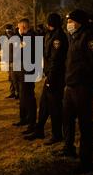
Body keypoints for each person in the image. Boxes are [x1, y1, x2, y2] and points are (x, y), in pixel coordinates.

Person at [62, 10, 93, 173]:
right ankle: (68, 148)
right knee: (67, 119)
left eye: (71, 21)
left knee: (85, 124)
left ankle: (86, 160)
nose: (68, 24)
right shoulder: (73, 37)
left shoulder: (89, 37)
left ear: (79, 22)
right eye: (68, 21)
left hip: (83, 86)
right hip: (70, 85)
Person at [25, 13, 68, 145]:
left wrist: (51, 76)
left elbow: (56, 59)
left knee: (54, 106)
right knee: (44, 104)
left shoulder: (58, 37)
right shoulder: (51, 34)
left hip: (55, 76)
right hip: (50, 74)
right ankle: (39, 130)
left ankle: (57, 134)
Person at [12, 19, 37, 130]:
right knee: (22, 95)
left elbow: (22, 52)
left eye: (19, 27)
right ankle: (24, 118)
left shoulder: (31, 36)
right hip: (22, 69)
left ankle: (31, 121)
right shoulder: (24, 37)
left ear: (23, 26)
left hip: (28, 69)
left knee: (28, 96)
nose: (18, 30)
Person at [5, 24, 19, 99]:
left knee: (15, 78)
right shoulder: (8, 38)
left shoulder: (15, 38)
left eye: (9, 30)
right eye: (7, 30)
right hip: (9, 61)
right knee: (10, 78)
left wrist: (13, 61)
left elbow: (16, 51)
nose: (7, 31)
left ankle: (18, 93)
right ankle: (12, 92)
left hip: (13, 61)